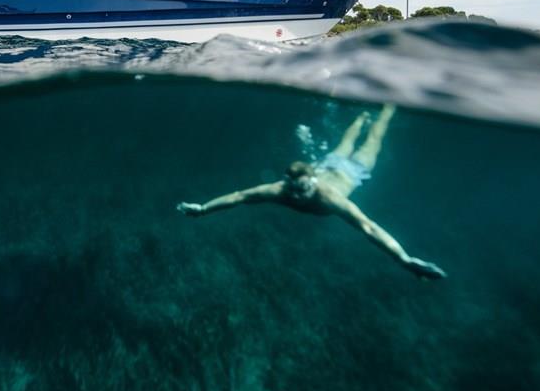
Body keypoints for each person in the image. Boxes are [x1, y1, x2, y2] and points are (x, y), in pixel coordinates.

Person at [176, 104, 447, 280]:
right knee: (347, 139)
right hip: (330, 163)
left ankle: (388, 108)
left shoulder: (330, 198)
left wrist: (404, 259)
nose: (296, 196)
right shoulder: (280, 190)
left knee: (373, 139)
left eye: (302, 188)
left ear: (313, 182)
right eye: (292, 189)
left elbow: (368, 227)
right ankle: (362, 116)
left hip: (352, 171)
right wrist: (204, 209)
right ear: (287, 183)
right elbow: (240, 196)